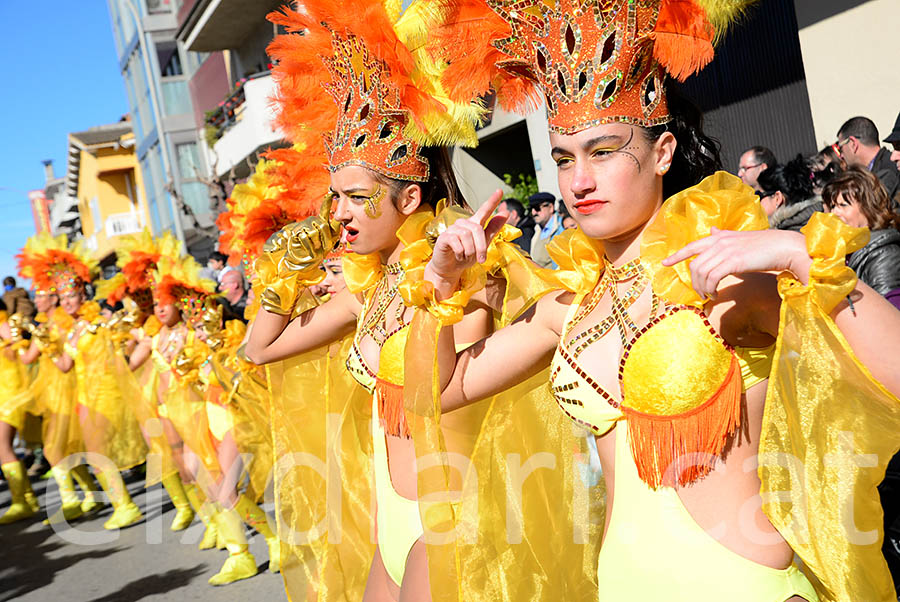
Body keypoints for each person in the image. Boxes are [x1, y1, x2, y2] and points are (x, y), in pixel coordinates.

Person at [429, 0, 900, 600]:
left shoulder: (724, 277)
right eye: (563, 158)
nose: (578, 182)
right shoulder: (566, 304)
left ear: (664, 153)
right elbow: (442, 392)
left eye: (603, 152)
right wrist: (445, 289)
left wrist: (797, 256)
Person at [822, 167, 900, 296]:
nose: (834, 213)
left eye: (843, 205)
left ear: (868, 207)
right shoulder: (843, 251)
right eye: (832, 206)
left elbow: (891, 310)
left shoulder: (885, 255)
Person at [836, 116, 900, 200]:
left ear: (853, 144)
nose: (841, 155)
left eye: (840, 148)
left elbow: (875, 209)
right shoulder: (869, 173)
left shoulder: (890, 171)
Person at [756, 155, 822, 231]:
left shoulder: (786, 234)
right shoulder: (819, 217)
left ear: (777, 198)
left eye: (759, 195)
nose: (755, 202)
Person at [529, 191, 564, 267]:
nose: (533, 212)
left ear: (551, 207)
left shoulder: (562, 226)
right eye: (531, 208)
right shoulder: (537, 229)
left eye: (537, 208)